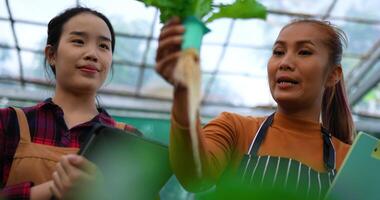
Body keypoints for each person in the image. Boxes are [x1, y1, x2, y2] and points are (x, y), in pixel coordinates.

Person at [155, 17, 355, 199]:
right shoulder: (234, 128)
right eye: (278, 52)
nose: (284, 62)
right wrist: (184, 94)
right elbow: (195, 178)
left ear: (333, 75)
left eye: (304, 52)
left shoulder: (351, 161)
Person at [0, 7, 141, 200]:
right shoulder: (8, 122)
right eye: (78, 41)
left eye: (104, 46)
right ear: (51, 54)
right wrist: (51, 189)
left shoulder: (128, 139)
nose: (93, 54)